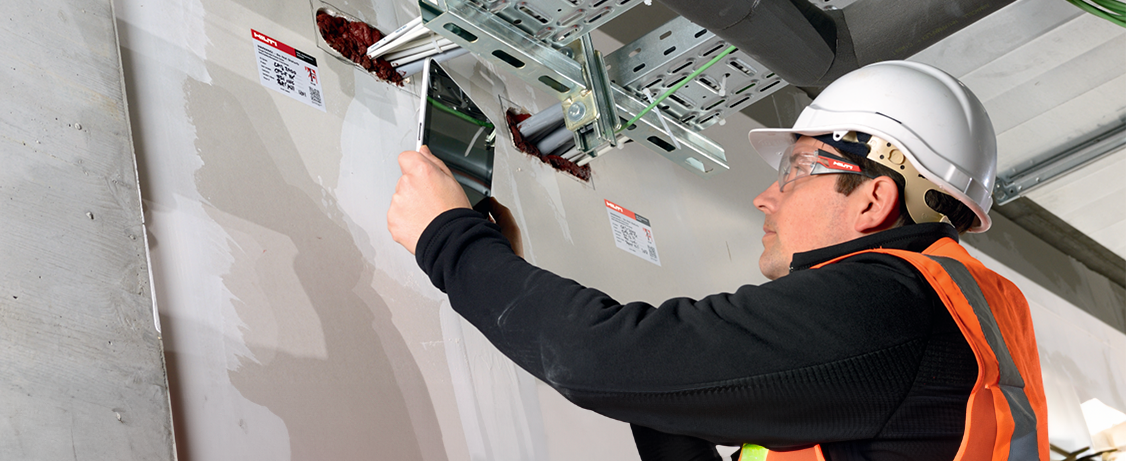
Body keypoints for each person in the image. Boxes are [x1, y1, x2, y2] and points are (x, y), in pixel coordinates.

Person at [388, 60, 1048, 461]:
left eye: (796, 169)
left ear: (875, 197)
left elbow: (600, 359)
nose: (766, 195)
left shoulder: (892, 306)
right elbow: (635, 371)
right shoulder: (945, 314)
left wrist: (447, 237)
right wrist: (654, 381)